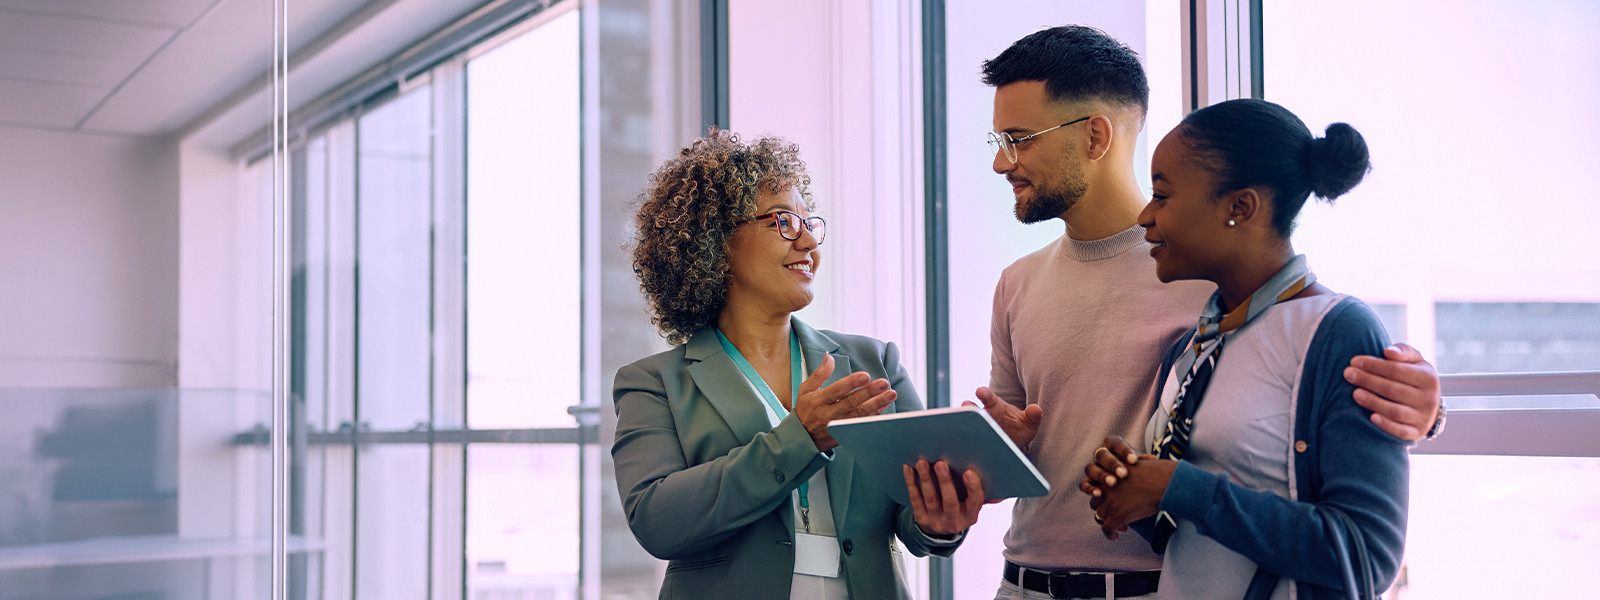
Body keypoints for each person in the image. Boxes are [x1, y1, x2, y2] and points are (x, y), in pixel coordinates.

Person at [970, 26, 1442, 599]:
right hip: (1023, 584)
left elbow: (1317, 363)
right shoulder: (1019, 284)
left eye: (1019, 138)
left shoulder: (1210, 275)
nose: (1001, 162)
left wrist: (1427, 409)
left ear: (1095, 136)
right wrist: (990, 454)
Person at [611, 129, 985, 600]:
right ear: (716, 241)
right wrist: (799, 438)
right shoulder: (654, 384)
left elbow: (913, 517)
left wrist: (939, 521)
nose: (809, 241)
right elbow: (658, 522)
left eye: (811, 224)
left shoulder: (874, 363)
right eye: (785, 221)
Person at [1081, 98, 1408, 599]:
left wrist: (1177, 486)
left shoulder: (1338, 332)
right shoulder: (1197, 342)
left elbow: (1367, 557)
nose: (1145, 217)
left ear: (1240, 207)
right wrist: (1136, 489)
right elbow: (1193, 529)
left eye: (1162, 196)